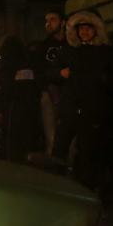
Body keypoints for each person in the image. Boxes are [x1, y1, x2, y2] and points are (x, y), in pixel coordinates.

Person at [52, 10, 113, 192]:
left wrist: (103, 80)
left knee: (87, 151)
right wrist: (60, 73)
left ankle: (84, 187)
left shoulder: (105, 52)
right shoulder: (69, 51)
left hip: (92, 109)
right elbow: (50, 72)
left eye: (87, 28)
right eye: (81, 29)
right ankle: (54, 184)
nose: (84, 32)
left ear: (95, 30)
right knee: (60, 147)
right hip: (71, 107)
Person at [38, 9, 69, 156]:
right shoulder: (43, 46)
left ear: (62, 22)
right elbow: (39, 71)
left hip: (69, 94)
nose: (48, 24)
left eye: (53, 19)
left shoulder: (71, 43)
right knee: (52, 136)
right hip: (49, 93)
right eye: (47, 20)